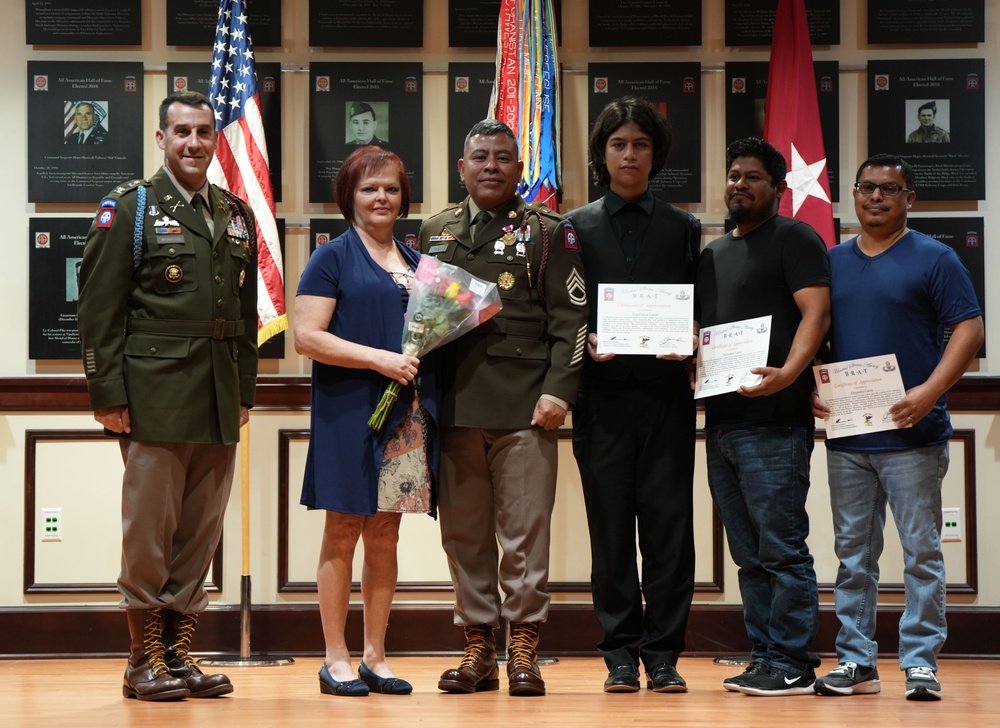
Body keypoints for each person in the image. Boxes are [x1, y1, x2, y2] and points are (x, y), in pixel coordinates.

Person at [77, 91, 258, 701]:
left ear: (215, 140)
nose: (193, 143)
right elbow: (98, 311)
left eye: (204, 132)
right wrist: (107, 392)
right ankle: (141, 660)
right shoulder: (128, 209)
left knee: (200, 532)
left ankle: (178, 653)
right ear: (161, 138)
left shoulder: (235, 214)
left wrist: (245, 393)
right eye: (181, 131)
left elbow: (246, 313)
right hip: (153, 395)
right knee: (150, 534)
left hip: (217, 395)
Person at [418, 119, 588, 697]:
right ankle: (477, 650)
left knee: (523, 539)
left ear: (519, 169)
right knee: (465, 539)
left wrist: (559, 391)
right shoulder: (435, 230)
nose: (491, 166)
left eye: (503, 158)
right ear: (461, 168)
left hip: (525, 410)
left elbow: (573, 323)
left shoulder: (547, 232)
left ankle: (522, 651)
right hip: (456, 409)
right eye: (480, 157)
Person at [812, 154, 983, 701]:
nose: (876, 198)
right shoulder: (832, 261)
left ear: (911, 198)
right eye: (867, 188)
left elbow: (970, 329)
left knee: (921, 553)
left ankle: (921, 662)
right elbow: (814, 334)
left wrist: (930, 391)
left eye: (890, 189)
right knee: (853, 556)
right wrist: (809, 389)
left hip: (914, 435)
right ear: (854, 196)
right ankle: (857, 661)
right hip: (849, 436)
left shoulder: (936, 258)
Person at [565, 97, 699, 694]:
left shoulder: (685, 228)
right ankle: (620, 652)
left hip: (667, 398)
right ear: (602, 153)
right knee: (612, 532)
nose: (629, 154)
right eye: (618, 144)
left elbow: (704, 311)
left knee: (670, 530)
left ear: (655, 154)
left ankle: (665, 654)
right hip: (602, 400)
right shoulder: (575, 227)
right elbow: (561, 311)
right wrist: (584, 340)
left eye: (640, 144)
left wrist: (691, 339)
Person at [294, 146, 439, 698]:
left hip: (405, 416)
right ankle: (336, 658)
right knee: (343, 530)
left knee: (385, 533)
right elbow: (308, 336)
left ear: (404, 198)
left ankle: (376, 655)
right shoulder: (331, 257)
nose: (381, 198)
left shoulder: (416, 260)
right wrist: (380, 359)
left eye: (391, 189)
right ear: (349, 197)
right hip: (349, 412)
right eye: (369, 188)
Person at [695, 137, 830, 696]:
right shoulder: (711, 254)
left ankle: (795, 661)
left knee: (781, 547)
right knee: (747, 553)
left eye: (753, 177)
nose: (739, 185)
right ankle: (765, 655)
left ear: (777, 188)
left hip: (776, 420)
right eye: (733, 175)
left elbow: (816, 313)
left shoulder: (795, 238)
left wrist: (790, 373)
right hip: (722, 421)